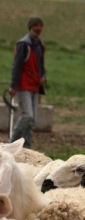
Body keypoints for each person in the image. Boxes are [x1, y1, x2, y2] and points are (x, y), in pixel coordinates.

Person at [9, 17, 46, 148]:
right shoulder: (23, 44)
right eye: (36, 25)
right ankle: (12, 143)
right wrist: (13, 86)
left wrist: (43, 76)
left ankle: (27, 148)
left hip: (34, 86)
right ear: (30, 27)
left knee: (32, 121)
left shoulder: (40, 45)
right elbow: (17, 66)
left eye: (41, 25)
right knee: (27, 116)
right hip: (23, 85)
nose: (39, 28)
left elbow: (41, 65)